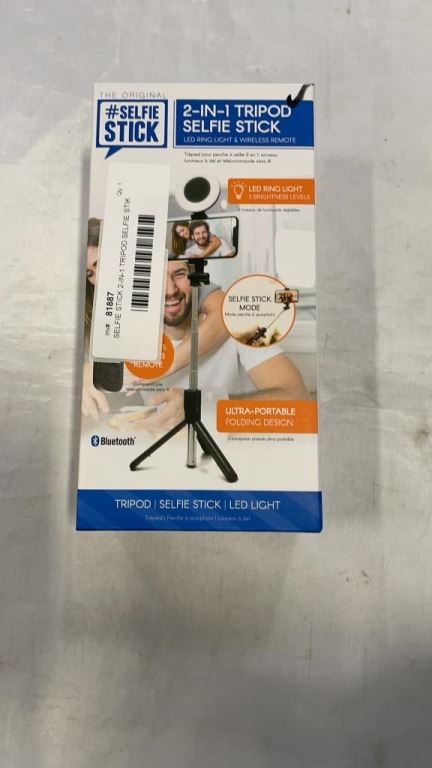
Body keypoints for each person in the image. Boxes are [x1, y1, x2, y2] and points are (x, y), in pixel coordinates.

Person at [129, 260, 308, 431]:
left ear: (195, 278)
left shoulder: (242, 325)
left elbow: (298, 402)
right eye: (156, 276)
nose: (170, 290)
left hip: (237, 447)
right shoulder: (133, 341)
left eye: (179, 274)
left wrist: (202, 406)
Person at [82, 219, 229, 420]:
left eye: (101, 263)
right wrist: (83, 372)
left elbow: (224, 313)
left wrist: (164, 365)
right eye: (89, 274)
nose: (98, 278)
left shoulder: (166, 278)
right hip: (135, 410)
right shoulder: (92, 309)